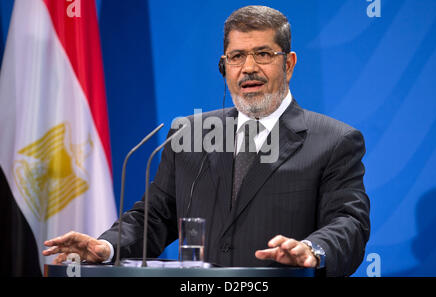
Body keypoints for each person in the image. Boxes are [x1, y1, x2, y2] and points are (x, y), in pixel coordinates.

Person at [43, 5, 370, 277]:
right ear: (223, 67)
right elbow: (155, 217)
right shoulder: (189, 134)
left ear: (289, 64)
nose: (249, 68)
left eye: (263, 54)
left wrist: (312, 249)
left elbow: (348, 223)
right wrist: (108, 246)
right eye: (237, 56)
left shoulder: (334, 141)